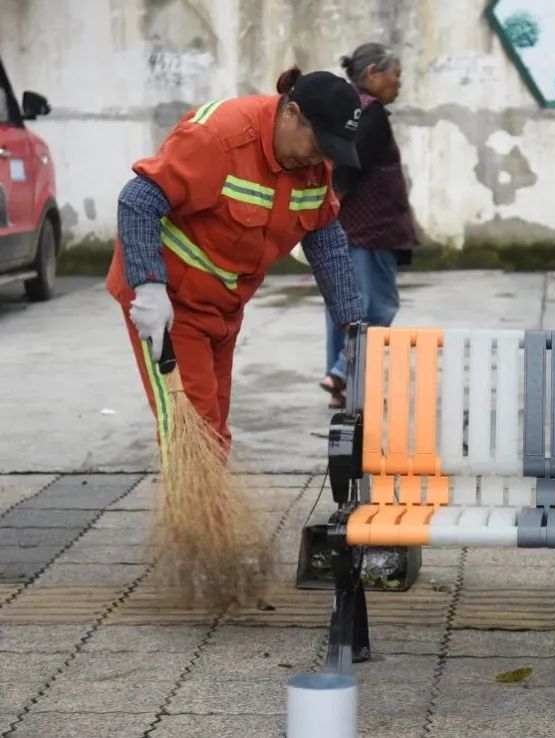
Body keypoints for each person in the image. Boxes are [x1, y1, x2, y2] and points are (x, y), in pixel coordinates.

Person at [106, 68, 368, 450]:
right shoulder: (218, 137)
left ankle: (200, 509)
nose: (322, 156)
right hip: (171, 303)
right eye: (320, 142)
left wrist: (352, 321)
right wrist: (148, 287)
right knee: (193, 430)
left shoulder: (312, 166)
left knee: (214, 424)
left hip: (225, 307)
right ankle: (194, 510)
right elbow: (138, 200)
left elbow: (325, 238)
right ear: (291, 113)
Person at [320, 43, 418, 408]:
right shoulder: (372, 114)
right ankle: (344, 371)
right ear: (373, 73)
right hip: (372, 231)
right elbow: (349, 167)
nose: (399, 83)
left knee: (341, 308)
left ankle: (342, 388)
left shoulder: (349, 109)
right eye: (396, 74)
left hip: (344, 229)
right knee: (377, 307)